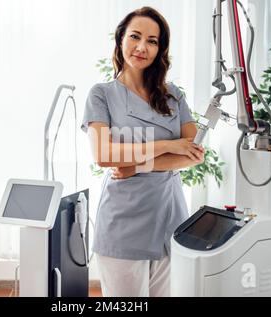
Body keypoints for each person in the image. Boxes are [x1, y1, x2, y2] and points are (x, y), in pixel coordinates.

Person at [81, 7, 205, 297]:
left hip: (170, 218)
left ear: (160, 49)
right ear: (121, 39)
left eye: (152, 41)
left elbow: (193, 154)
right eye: (135, 36)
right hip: (124, 223)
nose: (142, 47)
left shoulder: (174, 95)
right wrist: (168, 146)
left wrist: (135, 165)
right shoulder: (101, 94)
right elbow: (104, 155)